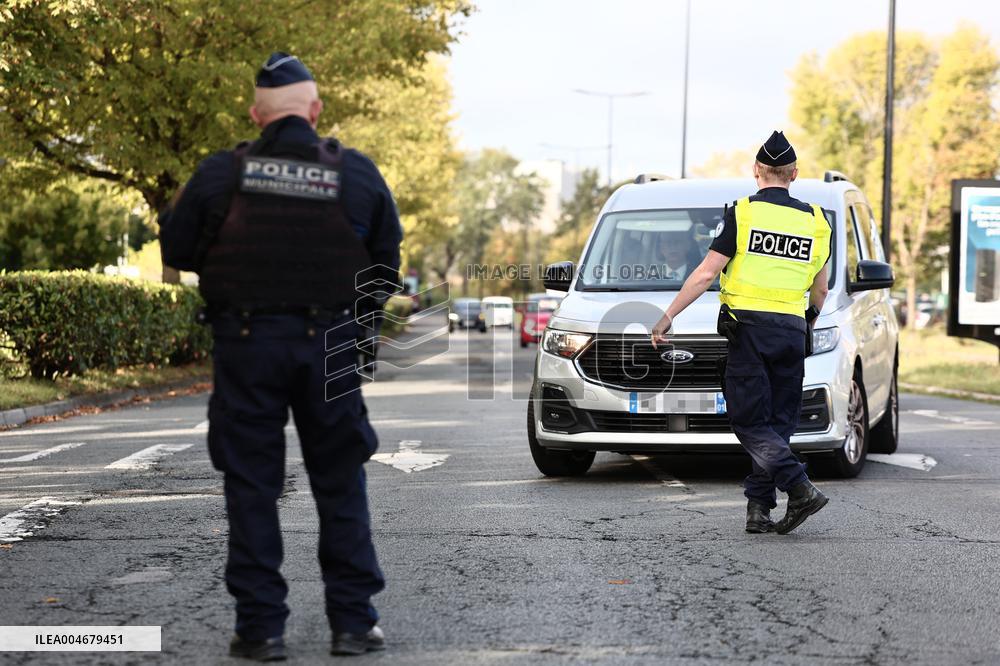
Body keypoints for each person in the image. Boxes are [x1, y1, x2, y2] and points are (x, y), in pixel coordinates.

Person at [160, 52, 402, 660]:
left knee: (251, 485)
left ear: (256, 114)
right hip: (332, 346)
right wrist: (360, 330)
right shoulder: (357, 174)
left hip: (246, 346)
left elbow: (180, 246)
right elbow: (386, 262)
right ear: (316, 112)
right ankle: (353, 624)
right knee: (340, 480)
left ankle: (261, 630)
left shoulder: (221, 175)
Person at [650, 131, 831, 536]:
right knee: (778, 423)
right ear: (794, 174)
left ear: (756, 171)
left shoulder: (744, 213)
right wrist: (809, 322)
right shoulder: (817, 222)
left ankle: (800, 488)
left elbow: (706, 273)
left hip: (749, 331)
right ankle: (759, 509)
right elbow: (820, 289)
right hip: (791, 330)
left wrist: (667, 316)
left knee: (748, 421)